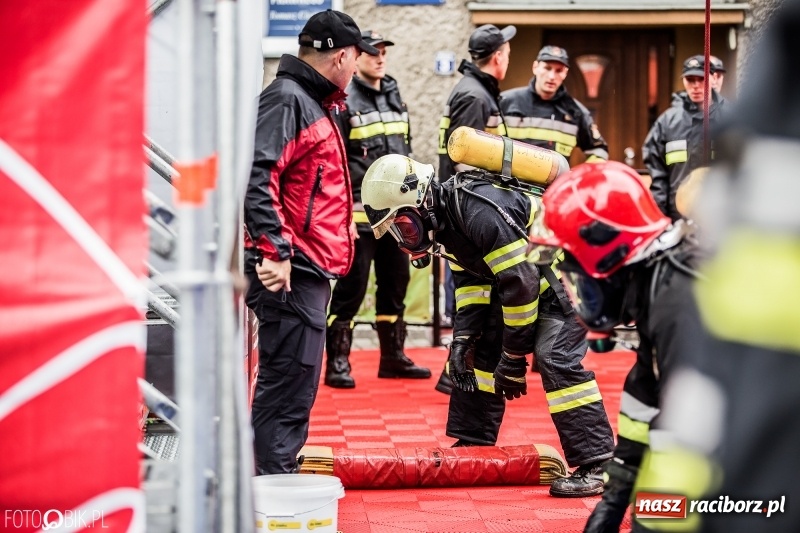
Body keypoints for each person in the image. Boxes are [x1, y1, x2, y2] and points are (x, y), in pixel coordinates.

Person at [360, 153, 616, 497]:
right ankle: (473, 443)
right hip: (535, 280)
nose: (406, 240)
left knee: (554, 357)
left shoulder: (479, 211)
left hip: (575, 276)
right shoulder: (446, 223)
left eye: (404, 227)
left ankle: (599, 464)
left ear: (421, 199)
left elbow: (521, 284)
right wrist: (463, 338)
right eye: (397, 233)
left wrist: (512, 357)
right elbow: (472, 284)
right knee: (476, 350)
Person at [527, 160, 705, 531]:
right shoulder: (659, 284)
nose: (572, 279)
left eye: (572, 262)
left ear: (606, 252)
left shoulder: (677, 303)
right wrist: (619, 485)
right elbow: (644, 392)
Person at [243, 10, 378, 475]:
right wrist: (275, 250)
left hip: (304, 266)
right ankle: (271, 479)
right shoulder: (289, 100)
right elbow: (258, 176)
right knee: (288, 380)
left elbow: (305, 183)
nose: (356, 67)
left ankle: (275, 469)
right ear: (341, 56)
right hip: (291, 268)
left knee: (295, 379)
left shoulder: (310, 101)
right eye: (356, 57)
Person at [325, 30, 431, 388]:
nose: (380, 58)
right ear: (357, 59)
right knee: (352, 288)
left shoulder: (394, 94)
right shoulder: (344, 99)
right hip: (358, 214)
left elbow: (405, 152)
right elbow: (337, 161)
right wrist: (340, 215)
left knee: (395, 284)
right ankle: (338, 361)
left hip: (397, 213)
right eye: (373, 52)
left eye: (384, 52)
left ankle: (392, 357)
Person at [643, 55, 725, 222]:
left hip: (720, 218)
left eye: (701, 79)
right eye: (690, 80)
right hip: (678, 218)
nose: (696, 86)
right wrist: (660, 217)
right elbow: (658, 176)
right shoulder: (668, 122)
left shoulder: (729, 119)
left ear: (713, 78)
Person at [501, 45, 609, 163]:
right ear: (535, 67)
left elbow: (599, 151)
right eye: (547, 68)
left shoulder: (575, 112)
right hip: (510, 175)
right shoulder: (506, 102)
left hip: (556, 176)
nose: (552, 76)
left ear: (565, 73)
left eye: (559, 71)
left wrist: (583, 173)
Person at [437, 23, 515, 181]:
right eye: (508, 55)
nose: (508, 61)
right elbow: (466, 165)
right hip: (470, 195)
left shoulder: (478, 91)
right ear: (498, 57)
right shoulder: (474, 97)